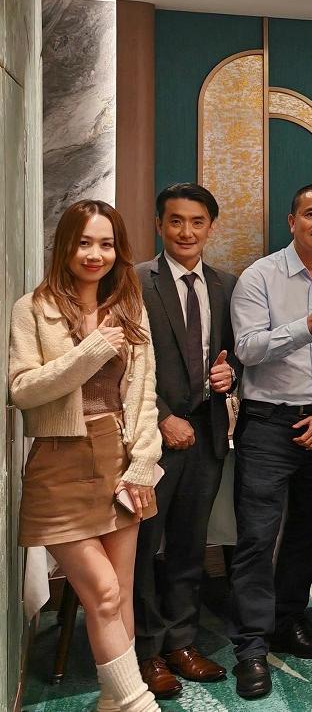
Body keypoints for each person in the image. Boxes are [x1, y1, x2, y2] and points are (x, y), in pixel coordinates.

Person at [9, 200, 163, 712]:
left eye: (106, 244)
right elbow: (22, 391)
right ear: (66, 246)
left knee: (121, 591)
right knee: (103, 591)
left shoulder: (129, 308)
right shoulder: (33, 308)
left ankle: (114, 703)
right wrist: (90, 350)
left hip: (121, 459)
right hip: (59, 462)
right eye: (84, 242)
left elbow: (144, 395)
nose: (95, 254)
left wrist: (143, 464)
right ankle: (139, 704)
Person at [227, 183, 312, 699]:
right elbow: (247, 349)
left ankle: (286, 619)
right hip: (267, 423)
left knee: (309, 534)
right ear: (292, 221)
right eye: (311, 214)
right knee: (257, 536)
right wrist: (305, 326)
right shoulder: (259, 276)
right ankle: (251, 645)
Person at [133, 185, 239, 697]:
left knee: (189, 546)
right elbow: (124, 366)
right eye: (176, 221)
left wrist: (230, 377)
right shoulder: (136, 282)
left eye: (197, 222)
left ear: (210, 227)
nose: (186, 231)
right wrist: (162, 418)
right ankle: (146, 651)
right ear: (159, 225)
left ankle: (182, 641)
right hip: (152, 436)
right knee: (142, 547)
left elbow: (236, 354)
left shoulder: (225, 285)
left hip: (207, 433)